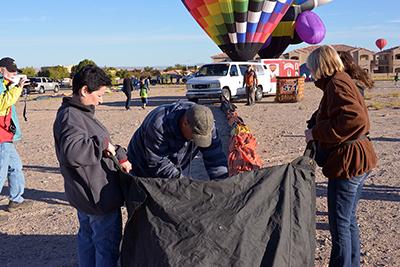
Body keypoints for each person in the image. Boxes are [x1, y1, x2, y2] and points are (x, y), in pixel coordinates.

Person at [304, 45, 377, 267]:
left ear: (320, 65)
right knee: (348, 221)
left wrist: (316, 132)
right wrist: (317, 121)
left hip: (349, 162)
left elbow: (355, 120)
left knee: (340, 224)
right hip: (357, 159)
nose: (310, 72)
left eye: (312, 67)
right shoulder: (339, 80)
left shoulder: (337, 83)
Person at [53, 65, 132, 267]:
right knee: (106, 249)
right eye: (99, 94)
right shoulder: (71, 117)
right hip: (96, 198)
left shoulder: (78, 113)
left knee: (88, 241)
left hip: (86, 195)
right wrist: (102, 144)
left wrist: (117, 153)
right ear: (84, 90)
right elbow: (72, 153)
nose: (101, 100)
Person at [127, 102, 228, 180]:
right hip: (140, 164)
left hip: (171, 164)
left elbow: (215, 156)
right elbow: (157, 163)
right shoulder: (158, 125)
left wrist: (221, 183)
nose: (196, 141)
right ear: (185, 123)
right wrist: (183, 183)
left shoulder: (206, 125)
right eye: (195, 137)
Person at [0, 57, 32, 221]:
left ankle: (16, 199)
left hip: (6, 135)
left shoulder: (6, 84)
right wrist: (17, 88)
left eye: (15, 70)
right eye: (10, 70)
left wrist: (14, 86)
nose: (14, 73)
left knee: (15, 166)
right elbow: (2, 103)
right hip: (0, 137)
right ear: (1, 69)